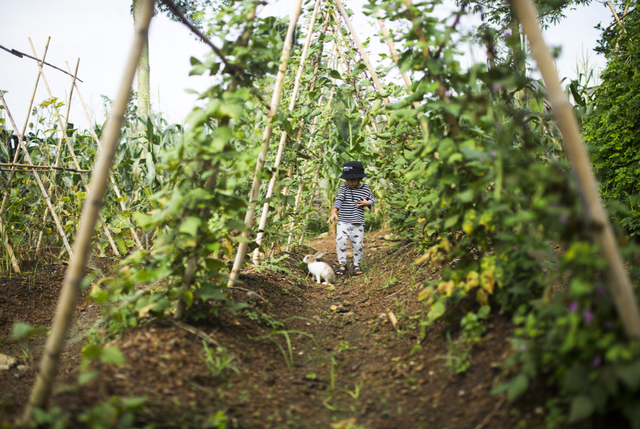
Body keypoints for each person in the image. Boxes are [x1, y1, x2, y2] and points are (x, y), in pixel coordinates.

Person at [327, 161, 376, 276]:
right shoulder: (344, 188)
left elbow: (372, 200)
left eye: (353, 179)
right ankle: (342, 265)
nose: (350, 182)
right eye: (347, 180)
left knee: (358, 245)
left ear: (359, 178)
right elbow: (339, 200)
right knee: (340, 242)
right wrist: (334, 211)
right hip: (343, 221)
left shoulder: (365, 188)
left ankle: (357, 265)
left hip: (357, 222)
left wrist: (367, 203)